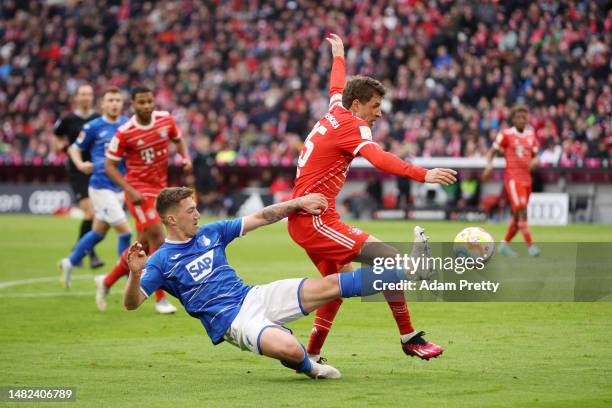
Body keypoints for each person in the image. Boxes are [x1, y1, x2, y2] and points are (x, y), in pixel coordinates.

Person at [124, 187, 427, 379]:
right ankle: (310, 368)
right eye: (191, 211)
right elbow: (133, 302)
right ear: (172, 220)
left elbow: (260, 217)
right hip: (233, 322)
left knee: (330, 284)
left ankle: (409, 270)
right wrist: (136, 273)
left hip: (253, 296)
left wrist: (298, 203)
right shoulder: (161, 260)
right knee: (292, 351)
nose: (198, 214)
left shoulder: (212, 232)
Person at [288, 34, 457, 363]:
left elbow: (337, 85)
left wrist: (339, 56)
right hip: (315, 220)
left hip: (306, 217)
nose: (379, 113)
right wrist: (424, 174)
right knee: (390, 260)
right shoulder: (354, 126)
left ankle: (311, 354)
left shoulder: (336, 109)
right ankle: (409, 332)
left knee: (336, 285)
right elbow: (379, 160)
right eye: (375, 106)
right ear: (357, 105)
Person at [104, 86, 192, 314]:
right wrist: (128, 189)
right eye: (141, 102)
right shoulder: (125, 131)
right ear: (132, 104)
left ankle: (106, 282)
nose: (146, 106)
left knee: (142, 244)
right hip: (139, 191)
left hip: (161, 189)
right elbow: (109, 165)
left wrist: (185, 157)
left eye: (149, 101)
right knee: (159, 237)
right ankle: (160, 298)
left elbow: (178, 139)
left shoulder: (166, 120)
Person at [58, 87, 132, 297]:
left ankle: (69, 262)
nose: (115, 103)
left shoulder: (127, 125)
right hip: (100, 187)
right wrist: (80, 164)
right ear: (102, 104)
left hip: (119, 187)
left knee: (98, 233)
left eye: (118, 100)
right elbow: (74, 147)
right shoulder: (93, 126)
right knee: (125, 233)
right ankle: (130, 282)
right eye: (110, 100)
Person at [53, 83, 103, 269]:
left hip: (96, 169)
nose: (86, 97)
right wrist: (66, 149)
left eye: (89, 94)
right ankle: (90, 254)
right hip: (77, 170)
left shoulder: (98, 118)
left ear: (92, 98)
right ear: (77, 97)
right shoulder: (68, 119)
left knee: (95, 215)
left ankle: (79, 251)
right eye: (82, 94)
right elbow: (56, 137)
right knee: (90, 212)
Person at [484, 105, 540, 257]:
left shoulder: (531, 136)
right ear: (514, 119)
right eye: (518, 117)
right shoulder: (506, 134)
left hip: (527, 179)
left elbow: (536, 157)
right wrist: (489, 165)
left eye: (524, 117)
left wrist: (536, 162)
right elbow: (492, 151)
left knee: (517, 217)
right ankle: (531, 246)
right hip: (513, 179)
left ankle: (504, 245)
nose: (522, 119)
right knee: (522, 212)